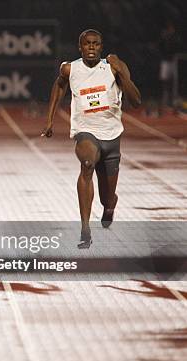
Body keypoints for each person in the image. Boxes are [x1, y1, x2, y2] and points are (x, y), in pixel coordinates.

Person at [41, 29, 141, 248]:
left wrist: (121, 73)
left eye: (96, 44)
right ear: (80, 47)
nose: (92, 47)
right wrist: (50, 119)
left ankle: (109, 205)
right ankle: (85, 228)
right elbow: (59, 86)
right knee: (87, 164)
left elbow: (136, 100)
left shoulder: (114, 67)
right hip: (86, 131)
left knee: (107, 196)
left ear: (101, 46)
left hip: (112, 135)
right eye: (87, 44)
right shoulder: (70, 69)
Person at [158, 20, 181, 113]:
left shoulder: (175, 38)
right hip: (165, 61)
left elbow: (177, 46)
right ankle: (165, 99)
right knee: (165, 81)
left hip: (173, 61)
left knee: (174, 82)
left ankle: (173, 101)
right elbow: (161, 46)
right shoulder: (164, 37)